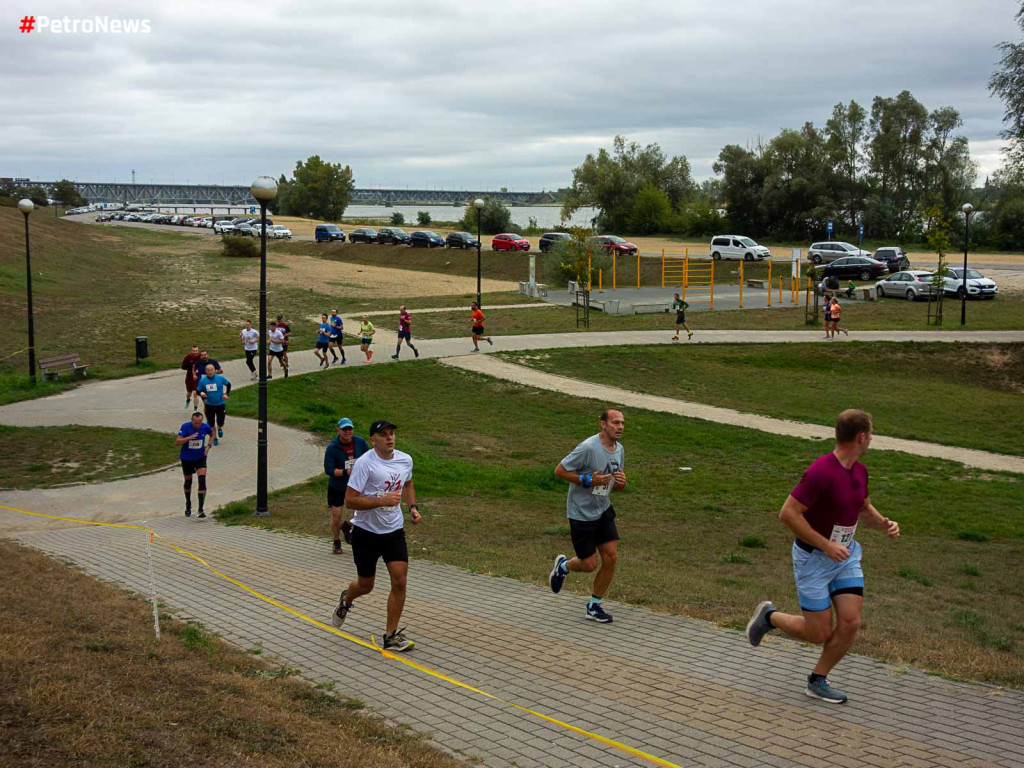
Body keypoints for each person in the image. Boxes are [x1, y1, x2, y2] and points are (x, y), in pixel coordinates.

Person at [745, 409, 900, 704]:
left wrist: (884, 524)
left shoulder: (860, 471)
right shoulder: (821, 471)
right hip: (813, 560)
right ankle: (769, 617)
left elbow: (863, 508)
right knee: (818, 632)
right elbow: (788, 514)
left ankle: (818, 679)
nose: (871, 440)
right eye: (871, 434)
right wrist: (826, 545)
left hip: (846, 556)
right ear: (861, 437)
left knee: (851, 621)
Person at [331, 419, 421, 652]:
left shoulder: (405, 459)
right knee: (365, 585)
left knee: (400, 580)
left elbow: (408, 483)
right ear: (373, 440)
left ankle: (390, 635)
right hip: (366, 533)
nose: (390, 438)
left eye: (392, 433)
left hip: (393, 531)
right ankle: (346, 599)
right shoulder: (365, 464)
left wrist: (412, 507)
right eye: (383, 435)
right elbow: (350, 500)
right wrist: (380, 501)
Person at [548, 408, 628, 623]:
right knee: (589, 564)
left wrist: (621, 483)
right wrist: (587, 480)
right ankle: (563, 566)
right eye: (615, 422)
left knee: (611, 557)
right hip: (581, 513)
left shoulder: (619, 449)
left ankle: (594, 606)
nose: (620, 427)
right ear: (602, 424)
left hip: (603, 509)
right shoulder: (587, 448)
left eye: (622, 423)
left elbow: (616, 481)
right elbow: (559, 471)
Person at [324, 417, 370, 554]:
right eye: (344, 429)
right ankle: (336, 541)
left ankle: (347, 526)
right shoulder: (332, 448)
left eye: (349, 429)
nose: (347, 432)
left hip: (357, 486)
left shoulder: (360, 442)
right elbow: (329, 470)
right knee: (336, 516)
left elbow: (369, 458)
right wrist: (346, 472)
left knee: (363, 513)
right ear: (338, 430)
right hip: (337, 486)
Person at [174, 411, 214, 518]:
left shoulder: (205, 427)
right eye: (195, 423)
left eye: (199, 423)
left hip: (200, 457)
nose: (197, 425)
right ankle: (188, 504)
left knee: (202, 480)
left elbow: (212, 434)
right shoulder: (185, 427)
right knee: (188, 481)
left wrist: (208, 446)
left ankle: (201, 509)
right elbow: (177, 442)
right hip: (187, 458)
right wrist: (189, 438)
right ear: (192, 420)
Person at [197, 363, 231, 445]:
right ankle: (214, 437)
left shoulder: (220, 378)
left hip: (220, 404)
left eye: (212, 370)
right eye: (208, 370)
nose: (210, 372)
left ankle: (220, 427)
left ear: (215, 370)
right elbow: (198, 390)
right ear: (206, 371)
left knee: (220, 421)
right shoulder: (203, 380)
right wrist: (201, 393)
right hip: (209, 404)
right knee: (211, 423)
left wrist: (226, 394)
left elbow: (228, 384)